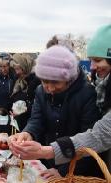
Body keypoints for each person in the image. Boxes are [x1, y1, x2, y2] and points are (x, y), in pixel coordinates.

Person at [9, 24, 111, 169]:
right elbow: (36, 119)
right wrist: (28, 133)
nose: (49, 88)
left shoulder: (88, 94)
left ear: (68, 78)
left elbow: (92, 140)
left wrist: (63, 172)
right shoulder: (40, 91)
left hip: (74, 168)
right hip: (48, 162)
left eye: (55, 82)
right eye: (44, 81)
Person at [10, 53, 40, 131]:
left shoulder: (36, 81)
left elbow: (38, 105)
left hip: (31, 126)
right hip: (19, 122)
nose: (16, 72)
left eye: (18, 69)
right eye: (15, 69)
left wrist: (24, 111)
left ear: (25, 67)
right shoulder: (19, 80)